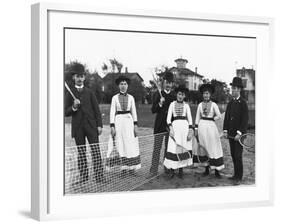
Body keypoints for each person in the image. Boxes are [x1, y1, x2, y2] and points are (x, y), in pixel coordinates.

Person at [64, 62, 105, 184]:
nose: (80, 78)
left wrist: (99, 125)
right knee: (81, 152)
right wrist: (74, 107)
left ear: (84, 78)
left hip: (91, 126)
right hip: (78, 128)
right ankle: (84, 176)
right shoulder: (69, 93)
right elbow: (66, 112)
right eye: (77, 76)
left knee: (95, 151)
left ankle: (99, 176)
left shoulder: (90, 92)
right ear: (73, 78)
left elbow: (97, 110)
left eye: (82, 76)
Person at [110, 75, 141, 176]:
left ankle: (132, 168)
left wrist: (135, 125)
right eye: (121, 84)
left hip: (129, 122)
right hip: (118, 122)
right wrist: (112, 126)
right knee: (121, 144)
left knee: (130, 144)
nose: (123, 86)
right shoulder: (114, 98)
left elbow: (134, 112)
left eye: (125, 84)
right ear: (118, 86)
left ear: (127, 86)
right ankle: (123, 169)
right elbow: (112, 112)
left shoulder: (131, 98)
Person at [194, 83, 224, 178]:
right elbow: (197, 118)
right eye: (204, 93)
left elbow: (219, 115)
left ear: (210, 94)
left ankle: (216, 170)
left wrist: (213, 119)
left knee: (213, 147)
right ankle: (206, 169)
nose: (205, 95)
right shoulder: (199, 105)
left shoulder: (214, 105)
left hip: (211, 128)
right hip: (202, 127)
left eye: (207, 93)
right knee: (204, 148)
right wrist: (196, 129)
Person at [163, 85, 193, 179]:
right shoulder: (172, 104)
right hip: (175, 127)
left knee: (182, 147)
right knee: (173, 147)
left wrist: (190, 131)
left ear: (184, 96)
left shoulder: (186, 106)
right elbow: (168, 119)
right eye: (179, 94)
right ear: (177, 94)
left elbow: (190, 119)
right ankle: (172, 170)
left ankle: (181, 171)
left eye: (182, 95)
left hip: (184, 128)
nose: (180, 96)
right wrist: (171, 128)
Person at [223, 77, 249, 185]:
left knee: (238, 156)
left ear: (239, 89)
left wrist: (240, 133)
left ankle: (239, 176)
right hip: (231, 134)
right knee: (233, 155)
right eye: (232, 88)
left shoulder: (243, 103)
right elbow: (227, 118)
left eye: (234, 88)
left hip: (239, 135)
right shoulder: (230, 103)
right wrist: (225, 131)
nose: (232, 90)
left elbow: (245, 120)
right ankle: (235, 175)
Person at [149, 72, 176, 175]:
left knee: (168, 149)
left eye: (170, 83)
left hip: (169, 127)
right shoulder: (157, 94)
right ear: (163, 83)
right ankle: (153, 170)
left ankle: (167, 168)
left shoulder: (174, 96)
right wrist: (160, 103)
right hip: (159, 126)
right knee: (157, 148)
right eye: (166, 82)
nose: (168, 85)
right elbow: (153, 110)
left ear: (172, 84)